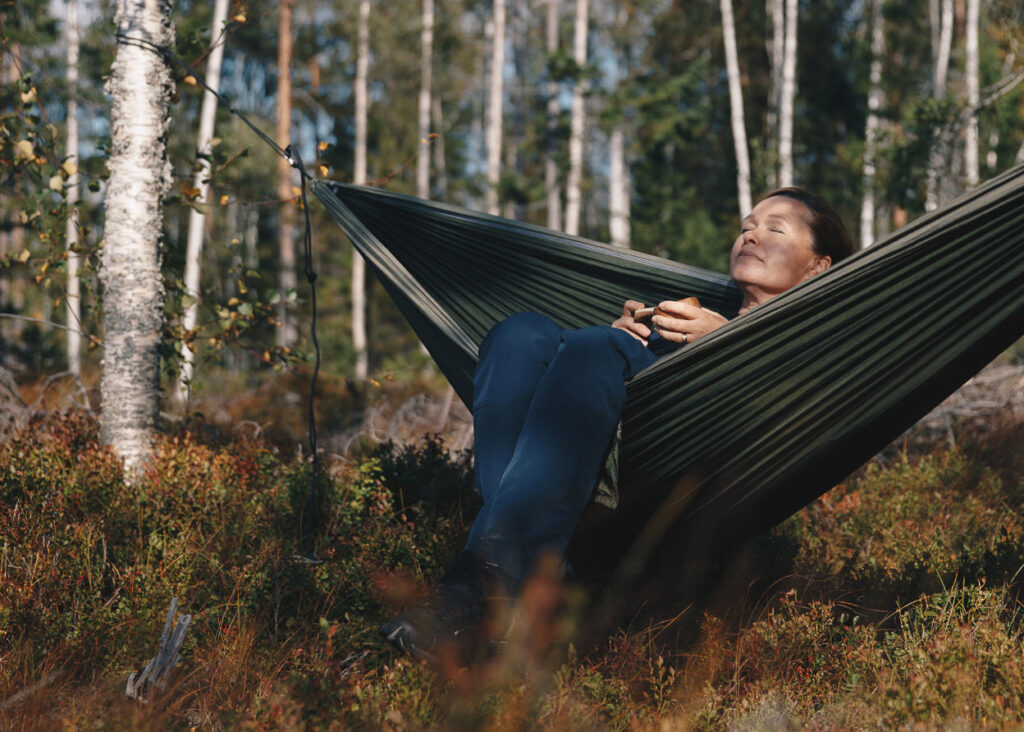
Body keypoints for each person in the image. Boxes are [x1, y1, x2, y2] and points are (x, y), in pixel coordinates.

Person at [380, 187, 856, 664]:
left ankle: (480, 584)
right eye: (747, 226)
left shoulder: (821, 342)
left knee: (594, 348)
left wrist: (726, 341)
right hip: (609, 453)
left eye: (775, 229)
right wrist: (620, 337)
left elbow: (814, 396)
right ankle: (522, 583)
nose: (751, 235)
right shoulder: (694, 314)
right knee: (520, 335)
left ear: (818, 265)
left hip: (679, 476)